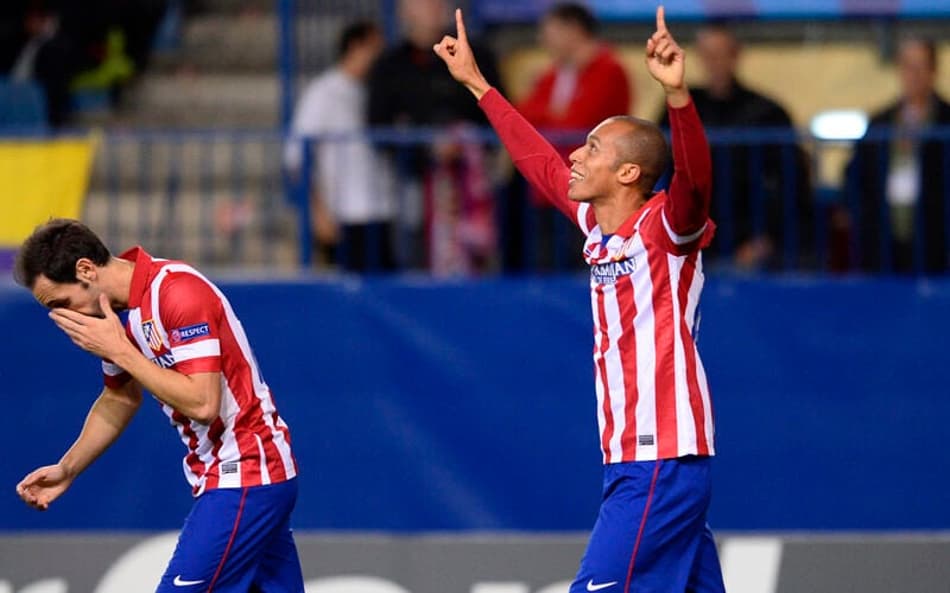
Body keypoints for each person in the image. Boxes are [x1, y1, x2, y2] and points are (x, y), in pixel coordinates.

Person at [435, 7, 724, 592]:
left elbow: (693, 182)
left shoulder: (666, 230)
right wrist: (478, 85)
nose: (575, 154)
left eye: (593, 148)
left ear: (629, 173)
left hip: (659, 456)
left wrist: (677, 99)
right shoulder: (596, 225)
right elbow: (537, 161)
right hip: (635, 458)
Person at [13, 219, 304, 592]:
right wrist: (69, 468)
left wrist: (119, 350)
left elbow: (203, 403)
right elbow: (120, 396)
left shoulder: (177, 292)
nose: (63, 318)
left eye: (62, 304)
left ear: (85, 269)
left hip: (247, 471)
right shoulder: (121, 317)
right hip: (240, 476)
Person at [661, 23, 812, 270]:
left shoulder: (766, 111)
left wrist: (768, 237)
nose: (715, 62)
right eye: (708, 55)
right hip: (690, 238)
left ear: (736, 55)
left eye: (722, 54)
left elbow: (791, 180)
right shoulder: (679, 107)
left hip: (749, 236)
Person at [367, 0, 503, 274]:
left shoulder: (475, 54)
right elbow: (377, 126)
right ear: (404, 10)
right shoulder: (390, 64)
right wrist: (426, 147)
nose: (433, 7)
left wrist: (464, 140)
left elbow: (500, 109)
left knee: (479, 256)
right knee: (418, 251)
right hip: (416, 181)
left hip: (473, 183)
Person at [511, 2, 633, 271]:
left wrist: (550, 118)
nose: (542, 39)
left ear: (573, 30)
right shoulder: (554, 74)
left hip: (594, 196)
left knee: (586, 274)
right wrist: (552, 113)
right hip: (550, 191)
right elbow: (522, 117)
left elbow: (579, 124)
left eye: (549, 31)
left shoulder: (609, 71)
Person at [285, 21, 396, 272]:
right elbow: (296, 157)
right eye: (376, 48)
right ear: (356, 47)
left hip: (382, 210)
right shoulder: (323, 92)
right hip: (345, 215)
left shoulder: (373, 93)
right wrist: (317, 212)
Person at [844, 37, 950, 274]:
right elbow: (855, 172)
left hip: (936, 238)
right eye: (907, 66)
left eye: (919, 67)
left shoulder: (945, 120)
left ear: (933, 71)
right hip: (884, 240)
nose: (913, 75)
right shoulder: (880, 122)